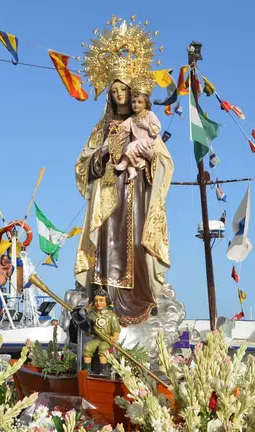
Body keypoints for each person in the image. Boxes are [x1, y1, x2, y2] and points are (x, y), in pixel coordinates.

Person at [74, 44, 174, 326]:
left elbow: (162, 158)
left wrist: (150, 156)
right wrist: (104, 151)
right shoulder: (103, 126)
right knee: (107, 244)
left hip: (135, 193)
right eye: (114, 91)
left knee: (135, 244)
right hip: (107, 193)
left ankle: (137, 301)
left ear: (133, 93)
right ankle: (102, 300)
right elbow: (83, 164)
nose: (119, 95)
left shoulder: (142, 121)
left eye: (123, 90)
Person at [116, 90, 161, 183]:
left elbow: (157, 128)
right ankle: (132, 172)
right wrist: (116, 127)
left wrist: (146, 126)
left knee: (130, 147)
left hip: (146, 142)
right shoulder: (132, 118)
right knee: (130, 157)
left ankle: (123, 163)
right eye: (133, 102)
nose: (136, 104)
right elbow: (123, 128)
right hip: (137, 145)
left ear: (145, 104)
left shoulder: (149, 114)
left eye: (139, 102)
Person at [81, 287, 121, 376]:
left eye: (101, 300)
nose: (98, 303)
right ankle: (87, 370)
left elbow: (116, 330)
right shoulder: (92, 315)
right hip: (97, 339)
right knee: (87, 347)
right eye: (96, 301)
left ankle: (104, 371)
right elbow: (88, 333)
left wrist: (114, 337)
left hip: (107, 340)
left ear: (106, 302)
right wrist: (87, 327)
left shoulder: (111, 316)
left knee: (103, 348)